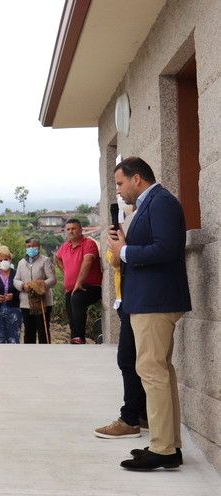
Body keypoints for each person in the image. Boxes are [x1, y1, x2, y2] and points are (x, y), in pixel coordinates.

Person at [107, 157, 191, 471]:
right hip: (146, 301)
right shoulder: (148, 204)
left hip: (155, 302)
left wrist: (124, 251)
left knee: (152, 373)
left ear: (137, 178)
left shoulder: (162, 202)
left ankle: (163, 449)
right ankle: (167, 445)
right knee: (160, 374)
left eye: (120, 183)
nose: (118, 190)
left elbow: (168, 248)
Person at [94, 202, 146, 440]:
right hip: (124, 301)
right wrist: (117, 244)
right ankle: (143, 413)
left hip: (138, 301)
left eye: (120, 184)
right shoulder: (121, 232)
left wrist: (124, 246)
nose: (119, 191)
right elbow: (114, 262)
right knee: (133, 360)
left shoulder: (142, 225)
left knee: (129, 359)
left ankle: (130, 418)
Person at [55, 218, 103, 344]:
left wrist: (78, 282)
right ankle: (74, 337)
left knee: (76, 298)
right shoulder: (65, 246)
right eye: (68, 229)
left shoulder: (88, 243)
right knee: (70, 303)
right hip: (72, 289)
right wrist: (66, 272)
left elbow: (87, 262)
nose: (71, 231)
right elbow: (57, 257)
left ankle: (79, 337)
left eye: (74, 228)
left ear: (81, 230)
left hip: (91, 287)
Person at [13, 238, 56, 344]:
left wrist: (38, 285)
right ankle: (29, 355)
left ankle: (45, 353)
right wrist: (23, 286)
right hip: (26, 302)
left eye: (33, 246)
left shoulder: (45, 260)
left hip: (42, 301)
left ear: (39, 247)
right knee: (28, 330)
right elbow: (16, 279)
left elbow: (52, 279)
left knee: (43, 329)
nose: (30, 248)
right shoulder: (21, 262)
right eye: (28, 246)